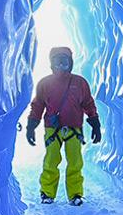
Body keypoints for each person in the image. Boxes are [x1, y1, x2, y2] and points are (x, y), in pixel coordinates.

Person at [26, 46, 101, 206]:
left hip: (74, 129)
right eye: (57, 62)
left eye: (64, 62)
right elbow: (37, 105)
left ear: (70, 63)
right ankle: (47, 193)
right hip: (52, 129)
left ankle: (75, 194)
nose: (61, 65)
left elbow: (88, 103)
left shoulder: (79, 83)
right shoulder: (45, 84)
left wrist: (95, 122)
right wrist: (31, 125)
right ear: (51, 64)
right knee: (51, 161)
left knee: (75, 162)